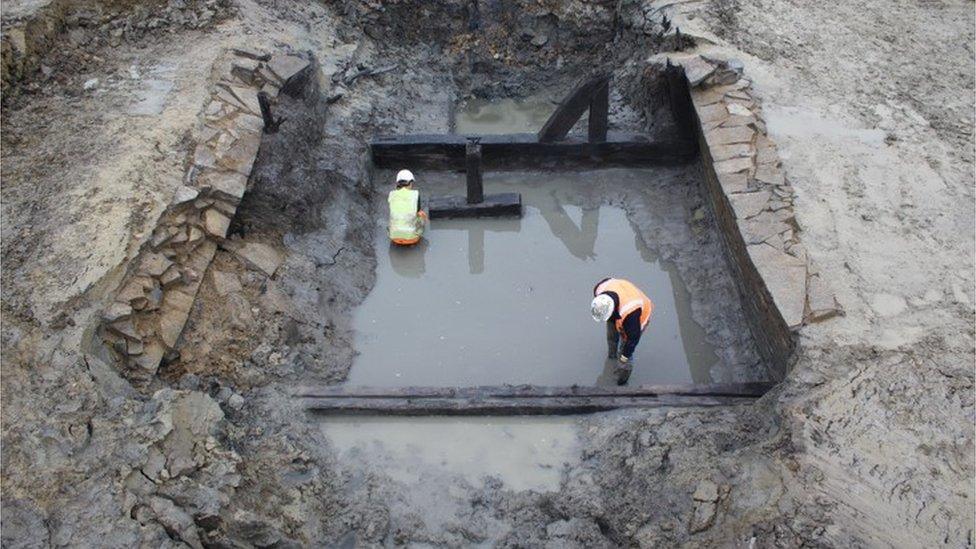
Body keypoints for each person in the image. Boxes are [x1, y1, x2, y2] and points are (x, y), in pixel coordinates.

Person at [591, 277, 654, 385]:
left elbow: (633, 339)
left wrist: (623, 358)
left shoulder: (631, 315)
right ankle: (611, 356)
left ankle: (622, 381)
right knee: (611, 336)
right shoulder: (599, 290)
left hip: (638, 316)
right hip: (619, 305)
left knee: (625, 354)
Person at [388, 169, 428, 246]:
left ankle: (397, 235)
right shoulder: (415, 194)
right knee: (422, 215)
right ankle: (414, 236)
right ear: (410, 183)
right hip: (412, 238)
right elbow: (418, 211)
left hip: (394, 237)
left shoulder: (391, 194)